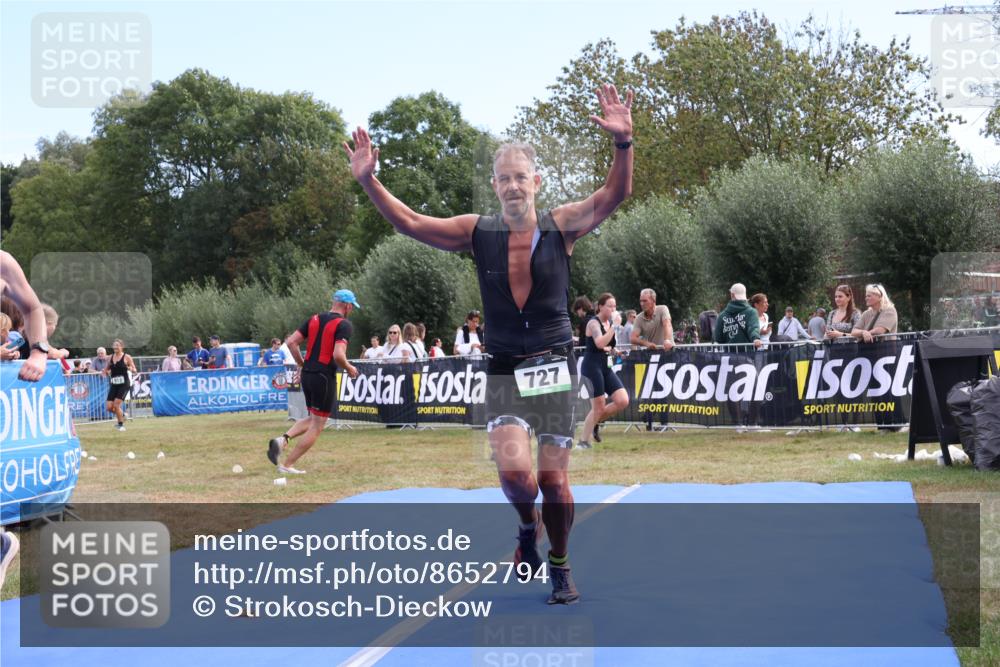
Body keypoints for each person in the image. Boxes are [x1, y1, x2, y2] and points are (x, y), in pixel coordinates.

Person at [343, 82, 634, 604]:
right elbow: (409, 222)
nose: (513, 186)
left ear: (537, 182)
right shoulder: (476, 232)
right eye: (504, 179)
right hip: (502, 370)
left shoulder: (562, 226)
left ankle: (560, 565)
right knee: (518, 480)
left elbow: (615, 195)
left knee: (555, 484)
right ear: (495, 187)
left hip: (553, 368)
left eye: (521, 176)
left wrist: (623, 144)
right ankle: (528, 529)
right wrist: (369, 182)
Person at [267, 290, 360, 474]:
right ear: (347, 306)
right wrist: (349, 368)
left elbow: (292, 342)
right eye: (352, 307)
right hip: (324, 376)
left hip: (308, 374)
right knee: (318, 425)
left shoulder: (314, 319)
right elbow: (338, 355)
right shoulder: (344, 325)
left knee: (312, 418)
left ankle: (282, 440)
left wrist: (303, 364)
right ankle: (287, 465)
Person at [577, 293, 629, 450]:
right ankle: (583, 442)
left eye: (615, 306)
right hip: (592, 366)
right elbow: (599, 343)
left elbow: (606, 347)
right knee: (598, 407)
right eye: (610, 306)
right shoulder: (593, 323)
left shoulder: (609, 323)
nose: (613, 309)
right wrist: (615, 327)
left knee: (622, 400)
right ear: (600, 306)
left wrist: (616, 351)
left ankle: (594, 421)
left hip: (605, 365)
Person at [103, 338, 138, 431]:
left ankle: (120, 425)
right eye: (114, 345)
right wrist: (105, 372)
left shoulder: (127, 357)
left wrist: (130, 368)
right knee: (109, 407)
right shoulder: (110, 357)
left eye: (117, 345)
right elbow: (106, 369)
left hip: (124, 384)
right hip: (114, 384)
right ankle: (122, 415)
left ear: (122, 347)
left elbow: (134, 369)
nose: (115, 347)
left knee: (116, 405)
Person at [714, 283, 762, 348]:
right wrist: (756, 338)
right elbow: (753, 328)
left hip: (728, 355)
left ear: (732, 295)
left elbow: (717, 338)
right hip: (748, 355)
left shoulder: (722, 315)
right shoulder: (752, 312)